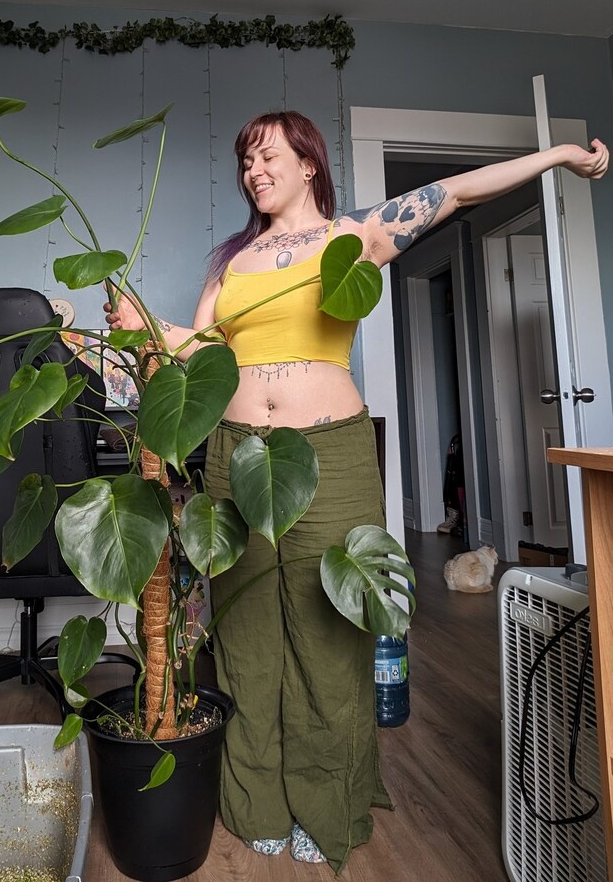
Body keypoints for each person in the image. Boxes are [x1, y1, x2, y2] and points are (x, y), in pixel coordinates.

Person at [105, 110, 608, 871]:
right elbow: (201, 350)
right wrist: (144, 325)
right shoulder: (231, 263)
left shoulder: (354, 236)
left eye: (267, 155)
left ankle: (326, 802)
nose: (253, 171)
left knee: (328, 631)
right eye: (245, 162)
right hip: (235, 455)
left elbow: (458, 191)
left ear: (308, 162)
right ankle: (256, 798)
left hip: (328, 455)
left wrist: (559, 155)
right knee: (247, 636)